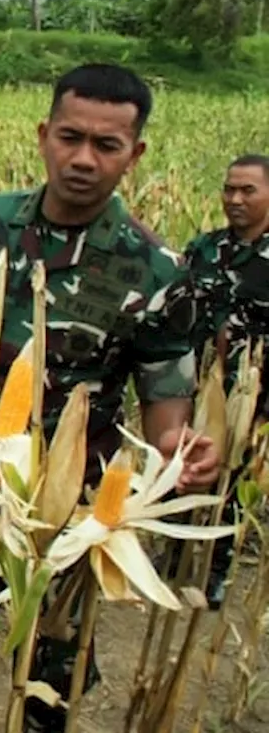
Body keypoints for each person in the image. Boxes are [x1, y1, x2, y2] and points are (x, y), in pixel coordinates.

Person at [0, 63, 221, 733]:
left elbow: (164, 400)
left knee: (47, 680)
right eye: (70, 137)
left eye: (107, 145)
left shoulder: (154, 269)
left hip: (71, 512)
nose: (84, 159)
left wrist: (182, 452)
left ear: (136, 153)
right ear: (44, 135)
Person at [181, 153, 269, 609]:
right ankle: (174, 554)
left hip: (254, 394)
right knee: (181, 465)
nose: (234, 199)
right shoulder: (203, 249)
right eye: (229, 189)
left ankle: (216, 569)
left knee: (234, 477)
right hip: (195, 385)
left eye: (247, 190)